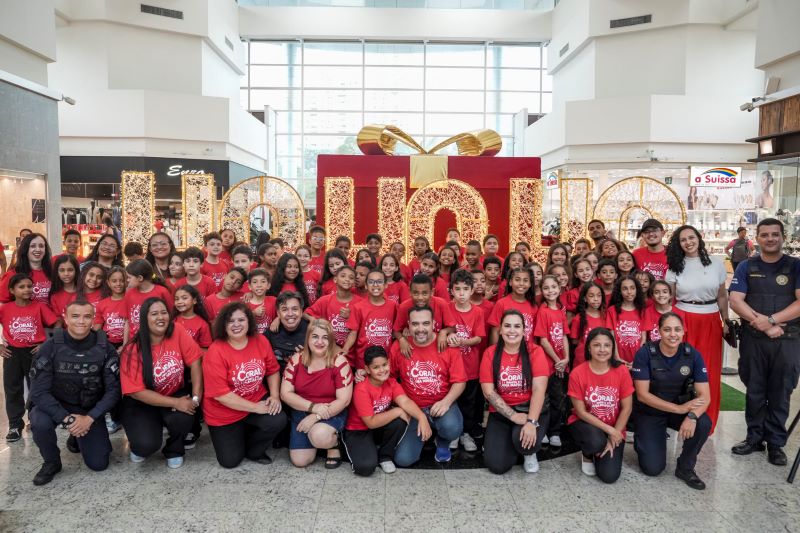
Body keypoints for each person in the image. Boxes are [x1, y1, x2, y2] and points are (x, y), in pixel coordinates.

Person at [729, 218, 800, 466]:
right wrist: (763, 324)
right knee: (755, 390)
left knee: (781, 391)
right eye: (765, 235)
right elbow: (736, 300)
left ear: (782, 237)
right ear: (756, 239)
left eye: (775, 234)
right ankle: (754, 438)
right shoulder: (746, 267)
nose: (770, 239)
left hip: (788, 339)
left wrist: (771, 320)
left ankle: (776, 444)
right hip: (754, 339)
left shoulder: (795, 266)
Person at [28, 300, 121, 485]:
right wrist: (68, 419)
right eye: (75, 316)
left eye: (87, 316)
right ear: (65, 318)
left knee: (99, 464)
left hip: (89, 409)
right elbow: (38, 392)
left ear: (93, 319)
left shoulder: (105, 348)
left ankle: (76, 438)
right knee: (39, 421)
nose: (81, 321)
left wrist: (90, 418)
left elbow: (114, 391)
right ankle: (51, 462)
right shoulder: (50, 347)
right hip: (57, 404)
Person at [120, 298, 203, 468]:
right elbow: (136, 392)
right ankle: (140, 445)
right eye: (154, 314)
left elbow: (195, 362)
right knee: (146, 446)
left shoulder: (177, 330)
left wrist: (195, 398)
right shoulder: (132, 349)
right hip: (141, 402)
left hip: (174, 392)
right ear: (144, 318)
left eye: (164, 312)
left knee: (185, 414)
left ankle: (174, 449)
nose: (160, 317)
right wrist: (176, 403)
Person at [631, 313, 712, 490]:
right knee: (652, 469)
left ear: (683, 332)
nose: (672, 334)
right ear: (659, 331)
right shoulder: (645, 353)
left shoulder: (693, 355)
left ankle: (685, 467)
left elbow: (705, 397)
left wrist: (691, 416)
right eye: (667, 329)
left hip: (681, 410)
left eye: (677, 329)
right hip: (650, 412)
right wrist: (678, 409)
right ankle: (643, 440)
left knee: (703, 422)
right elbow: (642, 395)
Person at [203, 302, 287, 468]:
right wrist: (256, 408)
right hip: (224, 412)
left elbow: (272, 370)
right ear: (223, 325)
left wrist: (275, 396)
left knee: (277, 419)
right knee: (230, 461)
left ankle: (254, 450)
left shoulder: (260, 340)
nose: (236, 325)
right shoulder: (216, 350)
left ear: (249, 321)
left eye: (241, 320)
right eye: (230, 321)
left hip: (254, 397)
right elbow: (221, 395)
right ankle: (239, 433)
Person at [665, 225, 728, 431]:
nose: (688, 242)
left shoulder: (716, 264)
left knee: (709, 368)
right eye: (683, 240)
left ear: (699, 238)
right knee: (682, 369)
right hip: (684, 320)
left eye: (691, 237)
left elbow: (721, 295)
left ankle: (706, 419)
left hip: (710, 319)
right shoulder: (675, 265)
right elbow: (670, 299)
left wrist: (726, 320)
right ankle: (678, 417)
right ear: (679, 244)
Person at [391, 306, 466, 466]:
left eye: (425, 323)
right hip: (413, 408)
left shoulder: (447, 345)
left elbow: (460, 381)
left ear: (433, 324)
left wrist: (446, 402)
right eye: (415, 324)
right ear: (408, 325)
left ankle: (442, 440)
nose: (420, 329)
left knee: (452, 427)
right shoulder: (399, 347)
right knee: (403, 460)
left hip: (440, 403)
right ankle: (423, 434)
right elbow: (389, 379)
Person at [343, 346, 431, 476]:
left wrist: (422, 417)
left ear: (389, 363)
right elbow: (370, 423)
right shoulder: (362, 389)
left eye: (384, 365)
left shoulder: (391, 382)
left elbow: (405, 401)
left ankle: (385, 456)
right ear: (367, 369)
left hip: (379, 427)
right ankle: (350, 447)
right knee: (365, 468)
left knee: (400, 420)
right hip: (358, 430)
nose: (382, 370)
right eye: (376, 367)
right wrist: (397, 411)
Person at [480, 310, 550, 474]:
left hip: (529, 409)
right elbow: (488, 392)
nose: (512, 331)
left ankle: (528, 452)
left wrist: (531, 422)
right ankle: (510, 439)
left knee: (524, 443)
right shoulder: (490, 353)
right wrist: (512, 416)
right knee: (497, 466)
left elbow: (539, 389)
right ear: (501, 330)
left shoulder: (535, 351)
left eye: (517, 326)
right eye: (508, 326)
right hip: (502, 411)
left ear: (524, 331)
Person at [280, 319, 353, 468]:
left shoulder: (339, 361)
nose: (319, 342)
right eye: (315, 337)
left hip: (332, 411)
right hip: (303, 411)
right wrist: (313, 407)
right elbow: (285, 393)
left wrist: (317, 416)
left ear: (331, 340)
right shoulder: (296, 360)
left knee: (320, 436)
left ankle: (333, 444)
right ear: (307, 338)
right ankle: (315, 441)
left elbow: (344, 400)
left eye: (325, 337)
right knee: (300, 461)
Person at [568, 328, 633, 483]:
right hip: (587, 425)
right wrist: (610, 431)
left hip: (615, 427)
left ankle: (601, 448)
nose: (602, 350)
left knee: (609, 476)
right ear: (589, 348)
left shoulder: (622, 371)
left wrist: (614, 434)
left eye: (607, 345)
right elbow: (581, 412)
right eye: (597, 345)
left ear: (612, 348)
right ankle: (588, 453)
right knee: (595, 442)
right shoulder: (577, 373)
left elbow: (627, 407)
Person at [0, 274, 59, 441]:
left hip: (34, 352)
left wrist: (46, 343)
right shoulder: (5, 308)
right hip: (12, 353)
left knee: (36, 388)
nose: (27, 289)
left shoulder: (39, 306)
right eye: (21, 287)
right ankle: (14, 425)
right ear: (12, 290)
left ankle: (35, 419)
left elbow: (57, 323)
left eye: (29, 286)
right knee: (12, 389)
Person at [0, 233, 53, 304]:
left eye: (41, 246)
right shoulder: (11, 275)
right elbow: (2, 304)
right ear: (25, 249)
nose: (38, 249)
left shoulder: (53, 273)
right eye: (33, 246)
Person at [265, 291, 310, 373]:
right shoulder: (271, 332)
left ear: (301, 312)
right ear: (278, 313)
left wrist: (309, 358)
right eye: (285, 310)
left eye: (295, 309)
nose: (290, 314)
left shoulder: (312, 332)